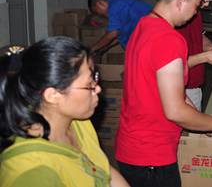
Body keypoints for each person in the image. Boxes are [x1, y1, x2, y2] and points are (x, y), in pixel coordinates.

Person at [115, 0, 212, 187]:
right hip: (152, 156)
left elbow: (169, 90)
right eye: (195, 6)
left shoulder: (143, 26)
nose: (195, 13)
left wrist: (201, 120)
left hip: (132, 147)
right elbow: (175, 111)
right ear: (180, 2)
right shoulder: (169, 39)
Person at [0, 38, 129, 187]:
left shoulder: (79, 123)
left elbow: (102, 169)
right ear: (53, 95)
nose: (98, 88)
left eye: (95, 77)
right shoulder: (30, 171)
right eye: (89, 84)